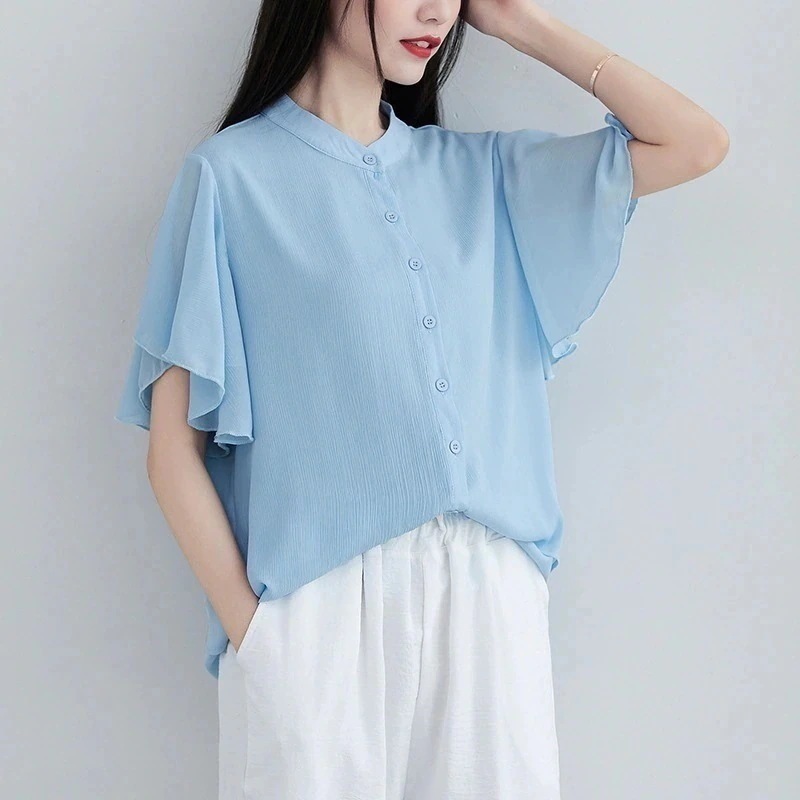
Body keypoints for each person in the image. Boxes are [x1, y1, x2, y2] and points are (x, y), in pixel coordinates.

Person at [114, 0, 729, 797]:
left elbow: (695, 142)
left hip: (489, 602)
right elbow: (172, 453)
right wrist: (261, 636)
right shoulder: (230, 178)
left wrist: (517, 23)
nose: (437, 12)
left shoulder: (485, 175)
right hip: (318, 612)